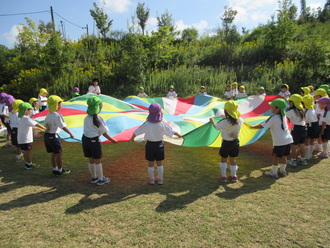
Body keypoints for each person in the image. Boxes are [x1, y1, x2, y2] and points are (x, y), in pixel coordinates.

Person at [129, 103, 183, 185]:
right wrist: (179, 135)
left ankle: (151, 179)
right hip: (159, 145)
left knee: (151, 163)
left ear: (149, 113)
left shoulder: (147, 124)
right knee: (159, 163)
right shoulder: (161, 124)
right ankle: (160, 179)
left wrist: (132, 138)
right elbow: (171, 131)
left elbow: (136, 131)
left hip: (149, 145)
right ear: (160, 113)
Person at [251, 99, 293, 178]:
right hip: (288, 140)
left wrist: (252, 127)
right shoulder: (284, 116)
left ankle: (274, 173)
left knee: (276, 157)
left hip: (279, 142)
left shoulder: (273, 117)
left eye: (272, 106)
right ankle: (283, 171)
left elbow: (262, 126)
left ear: (278, 109)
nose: (270, 108)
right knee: (284, 156)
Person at [82, 96, 118, 185]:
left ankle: (94, 177)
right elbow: (104, 132)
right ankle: (101, 179)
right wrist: (112, 140)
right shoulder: (98, 119)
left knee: (91, 160)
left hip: (85, 141)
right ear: (99, 108)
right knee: (98, 160)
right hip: (94, 141)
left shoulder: (86, 118)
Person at [209, 100, 244, 182]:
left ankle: (223, 176)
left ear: (226, 111)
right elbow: (241, 120)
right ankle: (234, 176)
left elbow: (216, 127)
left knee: (223, 159)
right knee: (233, 159)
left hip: (226, 143)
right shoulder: (240, 120)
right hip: (236, 143)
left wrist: (212, 121)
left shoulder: (224, 121)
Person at [44, 95, 75, 175]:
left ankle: (55, 169)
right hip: (54, 137)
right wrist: (71, 134)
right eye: (61, 103)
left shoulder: (48, 114)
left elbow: (45, 125)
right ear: (57, 104)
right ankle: (60, 170)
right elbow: (63, 126)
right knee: (58, 154)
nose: (61, 105)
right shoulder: (57, 115)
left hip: (47, 136)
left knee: (53, 153)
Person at [18, 102, 46, 169]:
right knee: (28, 152)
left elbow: (28, 126)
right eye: (30, 109)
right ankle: (29, 164)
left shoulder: (21, 118)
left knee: (25, 151)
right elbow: (36, 123)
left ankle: (27, 163)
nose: (31, 111)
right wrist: (44, 128)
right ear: (26, 110)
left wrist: (38, 128)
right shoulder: (26, 118)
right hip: (26, 139)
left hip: (21, 139)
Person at [286, 94, 307, 166]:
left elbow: (283, 113)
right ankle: (303, 160)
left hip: (296, 129)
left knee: (294, 145)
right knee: (302, 145)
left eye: (289, 102)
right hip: (304, 128)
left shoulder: (292, 111)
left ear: (292, 103)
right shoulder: (302, 110)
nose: (288, 103)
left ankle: (293, 160)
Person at [302, 94, 319, 159]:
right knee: (312, 141)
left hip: (310, 126)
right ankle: (310, 154)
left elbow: (305, 119)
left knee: (307, 141)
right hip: (315, 125)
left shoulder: (307, 111)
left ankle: (307, 155)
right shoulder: (312, 108)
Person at [8, 98, 24, 162]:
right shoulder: (17, 115)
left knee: (17, 144)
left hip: (13, 129)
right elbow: (19, 122)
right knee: (19, 144)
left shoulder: (11, 113)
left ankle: (19, 155)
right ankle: (19, 156)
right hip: (17, 129)